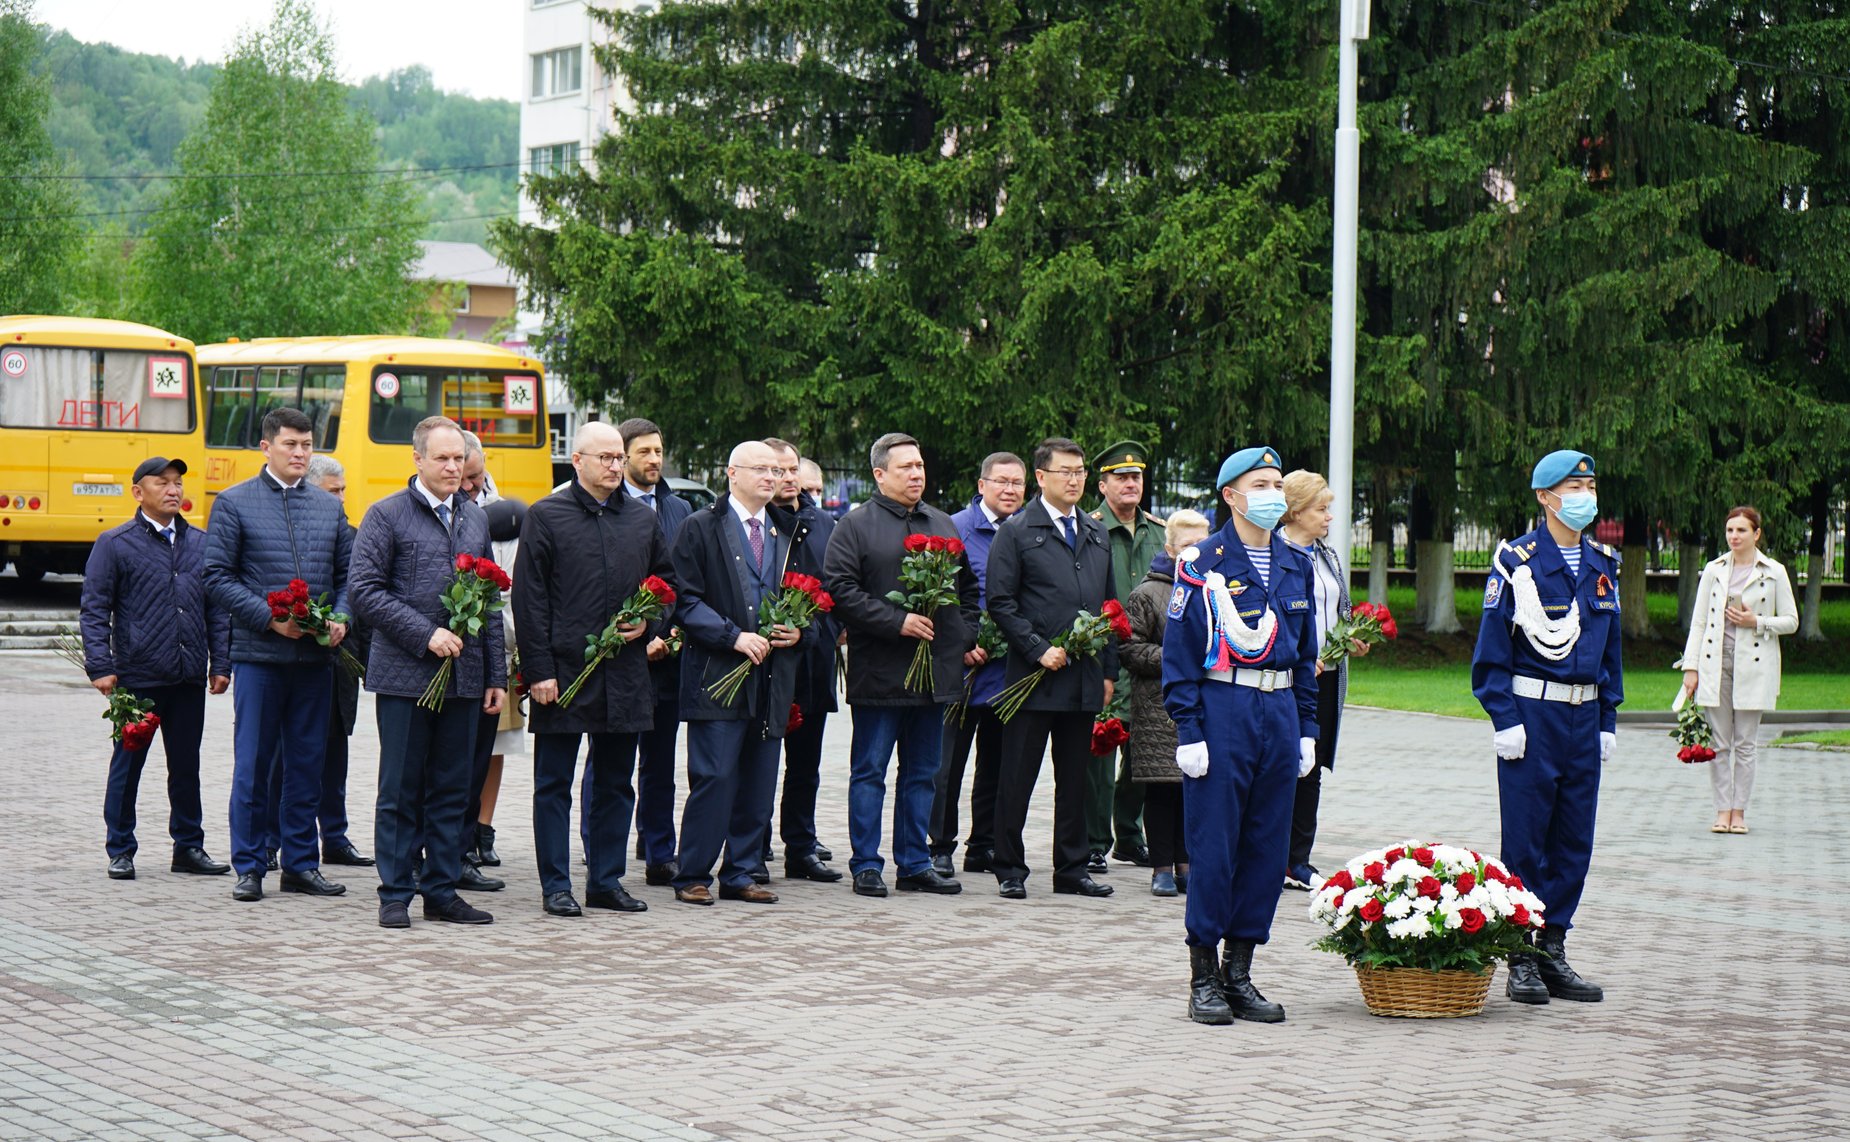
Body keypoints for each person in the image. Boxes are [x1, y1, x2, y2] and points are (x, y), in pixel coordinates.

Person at [1161, 445, 1319, 1024]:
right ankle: (1203, 974)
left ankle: (1240, 970)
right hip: (1223, 705)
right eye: (1261, 483)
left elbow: (1306, 658)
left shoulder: (1297, 563)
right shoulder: (1201, 562)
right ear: (1230, 495)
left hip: (1278, 711)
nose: (1274, 493)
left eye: (1278, 483)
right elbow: (1179, 658)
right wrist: (1190, 729)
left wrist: (1307, 728)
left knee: (1266, 846)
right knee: (1215, 844)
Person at [1472, 449, 1622, 1005]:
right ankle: (1521, 956)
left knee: (1574, 839)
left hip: (1584, 717)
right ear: (1545, 497)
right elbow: (1491, 654)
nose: (1584, 496)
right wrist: (1504, 718)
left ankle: (1553, 946)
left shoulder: (1603, 563)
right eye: (1572, 487)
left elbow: (1612, 653)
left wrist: (1608, 716)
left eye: (1589, 485)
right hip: (1533, 716)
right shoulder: (1518, 561)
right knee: (1527, 840)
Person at [350, 415, 507, 929]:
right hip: (404, 677)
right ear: (417, 459)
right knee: (400, 788)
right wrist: (425, 634)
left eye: (458, 458)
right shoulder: (387, 515)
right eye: (441, 457)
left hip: (463, 681)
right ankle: (395, 892)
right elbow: (366, 592)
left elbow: (489, 602)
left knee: (452, 787)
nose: (451, 466)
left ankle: (441, 889)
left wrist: (494, 677)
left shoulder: (474, 518)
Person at [515, 422, 673, 917]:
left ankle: (606, 880)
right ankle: (556, 884)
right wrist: (538, 670)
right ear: (576, 461)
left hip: (624, 674)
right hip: (562, 673)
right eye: (603, 457)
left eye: (617, 458)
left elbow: (666, 584)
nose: (613, 466)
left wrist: (647, 624)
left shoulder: (642, 520)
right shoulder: (546, 515)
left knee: (614, 782)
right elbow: (529, 597)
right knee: (554, 783)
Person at [204, 407, 353, 904]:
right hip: (260, 657)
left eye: (306, 445)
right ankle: (249, 866)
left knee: (307, 763)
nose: (300, 453)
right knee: (255, 764)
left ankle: (301, 864)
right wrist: (268, 618)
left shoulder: (329, 508)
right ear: (266, 447)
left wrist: (341, 619)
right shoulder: (234, 503)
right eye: (290, 444)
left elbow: (350, 575)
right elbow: (216, 576)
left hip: (314, 661)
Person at [822, 432, 976, 898]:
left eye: (920, 465)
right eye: (906, 466)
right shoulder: (856, 525)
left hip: (935, 677)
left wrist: (960, 638)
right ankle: (867, 864)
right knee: (870, 771)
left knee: (923, 772)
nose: (916, 474)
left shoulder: (944, 524)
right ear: (880, 474)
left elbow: (968, 593)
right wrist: (897, 621)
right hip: (882, 672)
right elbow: (840, 590)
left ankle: (914, 862)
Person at [81, 456, 232, 881]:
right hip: (138, 676)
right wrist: (100, 665)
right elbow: (94, 609)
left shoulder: (201, 544)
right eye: (161, 482)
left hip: (187, 676)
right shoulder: (115, 543)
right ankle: (121, 848)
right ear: (137, 492)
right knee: (128, 764)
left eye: (177, 482)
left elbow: (217, 610)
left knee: (186, 765)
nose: (173, 490)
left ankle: (188, 846)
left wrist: (220, 662)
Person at [669, 441, 804, 905]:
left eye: (778, 470)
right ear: (732, 472)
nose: (772, 477)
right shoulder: (700, 526)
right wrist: (732, 636)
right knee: (716, 775)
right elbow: (683, 600)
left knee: (761, 776)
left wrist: (796, 630)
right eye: (761, 469)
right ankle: (692, 872)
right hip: (718, 671)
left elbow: (808, 596)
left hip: (771, 675)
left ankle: (743, 870)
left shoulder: (789, 532)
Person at [987, 437, 1120, 901]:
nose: (1075, 479)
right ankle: (1008, 866)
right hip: (1033, 677)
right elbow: (1000, 601)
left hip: (1082, 677)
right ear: (1041, 477)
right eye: (1066, 471)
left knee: (1075, 777)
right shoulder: (1018, 530)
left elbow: (1106, 607)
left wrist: (1108, 672)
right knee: (1017, 775)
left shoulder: (1095, 531)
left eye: (1081, 470)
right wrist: (1037, 647)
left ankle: (1072, 867)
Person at [927, 450, 1024, 878]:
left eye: (1017, 483)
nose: (1009, 490)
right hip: (962, 669)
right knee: (946, 764)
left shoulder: (1026, 531)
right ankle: (939, 845)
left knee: (999, 764)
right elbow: (939, 596)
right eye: (1001, 481)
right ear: (981, 485)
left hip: (1011, 672)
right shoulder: (954, 528)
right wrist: (961, 643)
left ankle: (982, 844)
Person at [608, 417, 694, 887]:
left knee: (660, 763)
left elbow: (684, 583)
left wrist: (668, 636)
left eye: (659, 451)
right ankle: (602, 849)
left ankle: (660, 852)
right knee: (610, 760)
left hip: (667, 657)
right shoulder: (607, 506)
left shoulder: (679, 510)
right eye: (644, 452)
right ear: (622, 457)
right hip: (618, 654)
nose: (655, 460)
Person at [1679, 506, 1798, 836]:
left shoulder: (1773, 571)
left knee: (1746, 743)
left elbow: (1791, 621)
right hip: (1715, 663)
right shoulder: (1714, 569)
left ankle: (1739, 812)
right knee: (1719, 743)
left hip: (1754, 666)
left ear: (1756, 534)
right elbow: (1699, 621)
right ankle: (1721, 811)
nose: (1734, 536)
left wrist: (1756, 621)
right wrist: (1691, 668)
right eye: (1730, 530)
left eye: (1741, 530)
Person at [1276, 469, 1366, 890]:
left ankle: (1298, 859)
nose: (1329, 516)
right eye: (1321, 508)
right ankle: (1270, 858)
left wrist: (1348, 639)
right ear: (1294, 511)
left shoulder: (1326, 554)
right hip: (1289, 677)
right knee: (1283, 766)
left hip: (1326, 675)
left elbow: (1334, 610)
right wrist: (1298, 656)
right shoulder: (1274, 553)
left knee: (1311, 766)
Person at [764, 438, 843, 884]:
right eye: (778, 470)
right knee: (757, 762)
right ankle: (752, 844)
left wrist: (815, 635)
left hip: (811, 662)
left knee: (805, 766)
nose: (788, 478)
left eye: (793, 469)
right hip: (764, 660)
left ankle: (801, 847)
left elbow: (836, 592)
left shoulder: (824, 523)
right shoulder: (751, 524)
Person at [1121, 510, 1210, 897]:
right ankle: (1160, 866)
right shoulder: (1148, 593)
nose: (1197, 553)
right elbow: (1130, 647)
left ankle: (1186, 863)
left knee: (1193, 787)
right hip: (1159, 705)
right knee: (1161, 788)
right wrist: (1177, 656)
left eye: (1203, 545)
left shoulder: (1217, 588)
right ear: (1171, 548)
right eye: (1189, 546)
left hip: (1204, 702)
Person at [1088, 441, 1165, 873]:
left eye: (1136, 476)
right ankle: (1093, 841)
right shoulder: (1091, 527)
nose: (1130, 483)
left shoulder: (1158, 531)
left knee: (1144, 756)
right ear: (1103, 484)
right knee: (1097, 759)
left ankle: (1129, 836)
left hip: (1149, 661)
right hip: (1105, 659)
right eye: (1121, 476)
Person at [299, 455, 374, 870]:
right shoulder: (296, 532)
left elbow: (364, 599)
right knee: (291, 756)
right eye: (335, 491)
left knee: (335, 752)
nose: (343, 499)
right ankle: (282, 839)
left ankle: (336, 836)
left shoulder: (355, 535)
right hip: (299, 659)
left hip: (343, 662)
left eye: (344, 490)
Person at [454, 432, 510, 891]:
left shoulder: (495, 513)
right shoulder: (398, 512)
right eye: (459, 473)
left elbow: (496, 599)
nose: (469, 484)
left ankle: (468, 844)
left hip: (491, 656)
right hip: (432, 659)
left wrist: (502, 669)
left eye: (474, 475)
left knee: (482, 758)